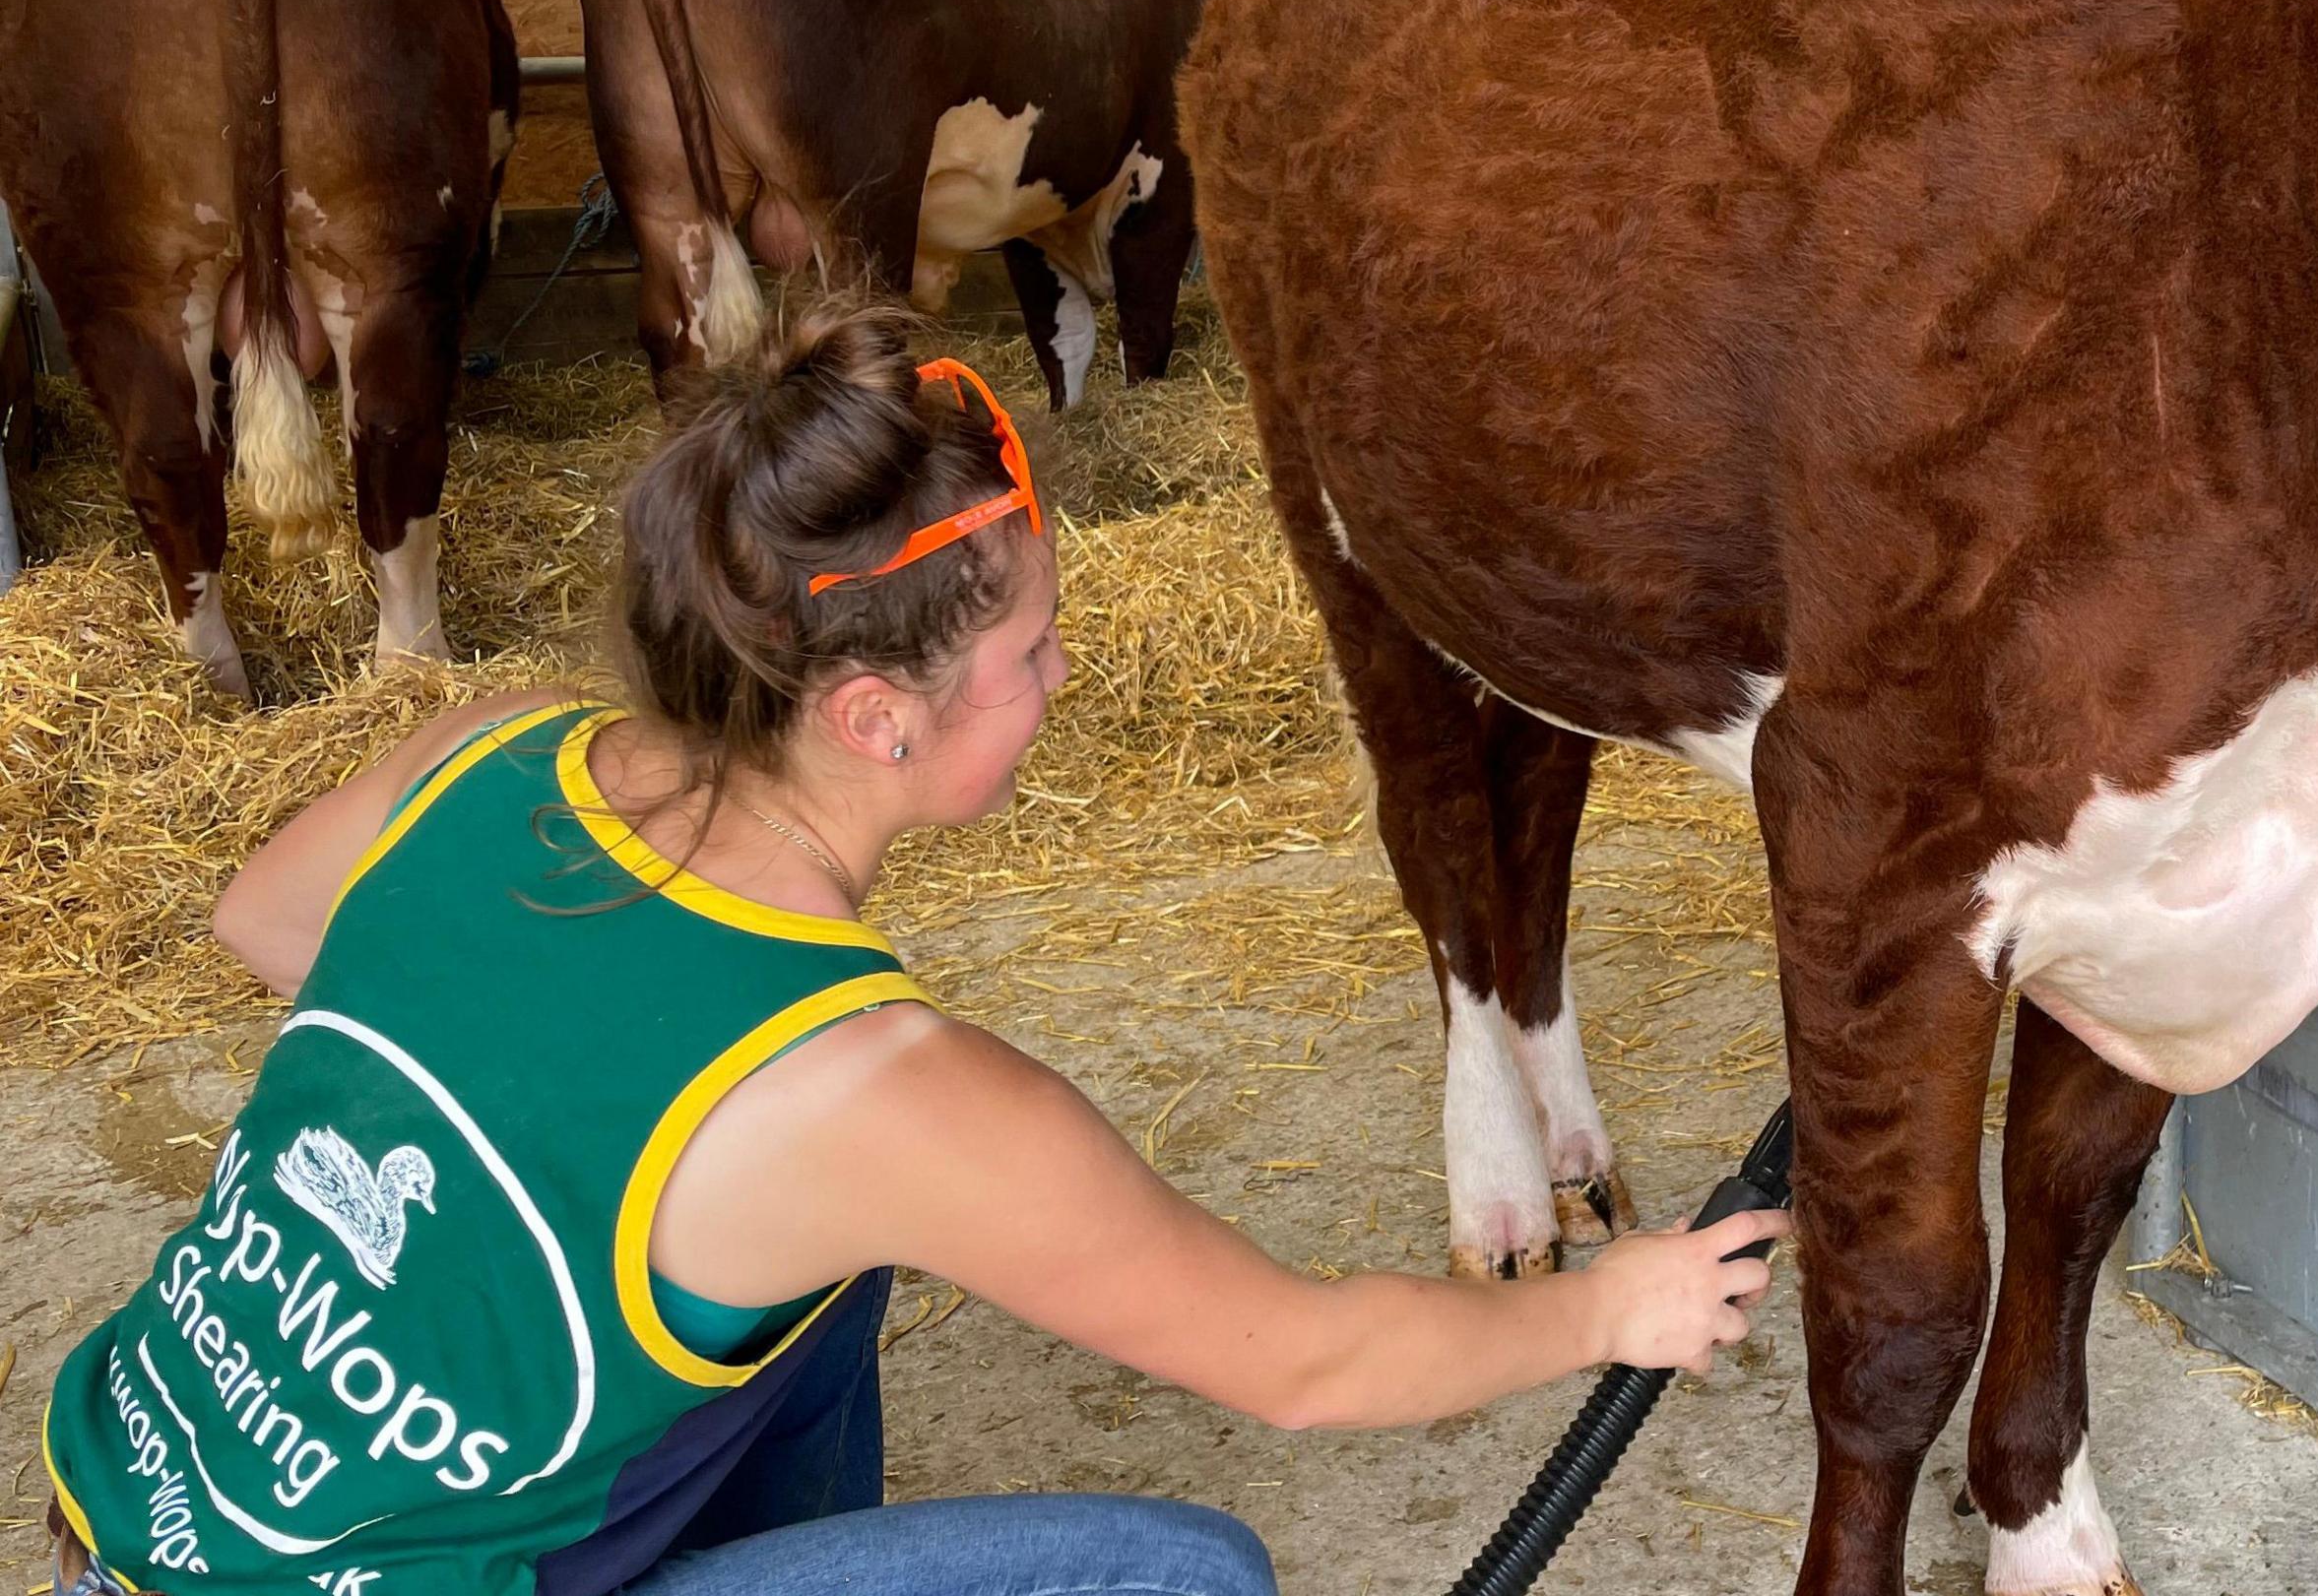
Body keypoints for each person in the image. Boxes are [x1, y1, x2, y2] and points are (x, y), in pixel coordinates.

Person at [40, 303, 1786, 1596]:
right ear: (877, 717)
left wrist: (526, 1101)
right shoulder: (876, 1090)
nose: (1058, 686)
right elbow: (1307, 1368)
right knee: (1177, 1579)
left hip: (116, 1505)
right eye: (1029, 652)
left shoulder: (494, 749)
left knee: (802, 1275)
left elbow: (261, 918)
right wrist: (1603, 1314)